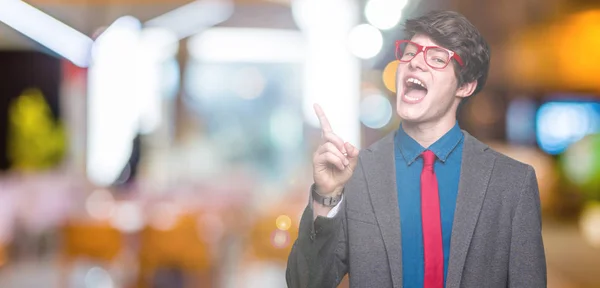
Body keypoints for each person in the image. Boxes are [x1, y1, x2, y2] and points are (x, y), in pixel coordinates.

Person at [286, 10, 546, 288]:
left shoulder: (512, 183)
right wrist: (326, 196)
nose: (415, 63)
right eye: (409, 53)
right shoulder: (355, 175)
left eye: (436, 58)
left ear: (466, 86)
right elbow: (305, 283)